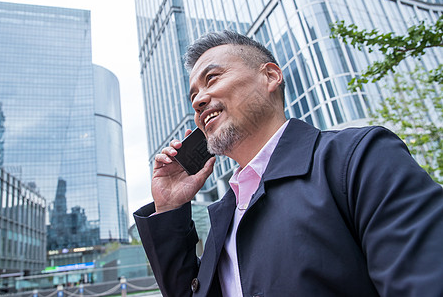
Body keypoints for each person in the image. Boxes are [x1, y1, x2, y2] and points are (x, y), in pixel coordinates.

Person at [134, 30, 443, 297]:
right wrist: (169, 208)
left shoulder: (359, 158)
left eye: (212, 79)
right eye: (194, 95)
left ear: (270, 76)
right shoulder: (226, 213)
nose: (199, 101)